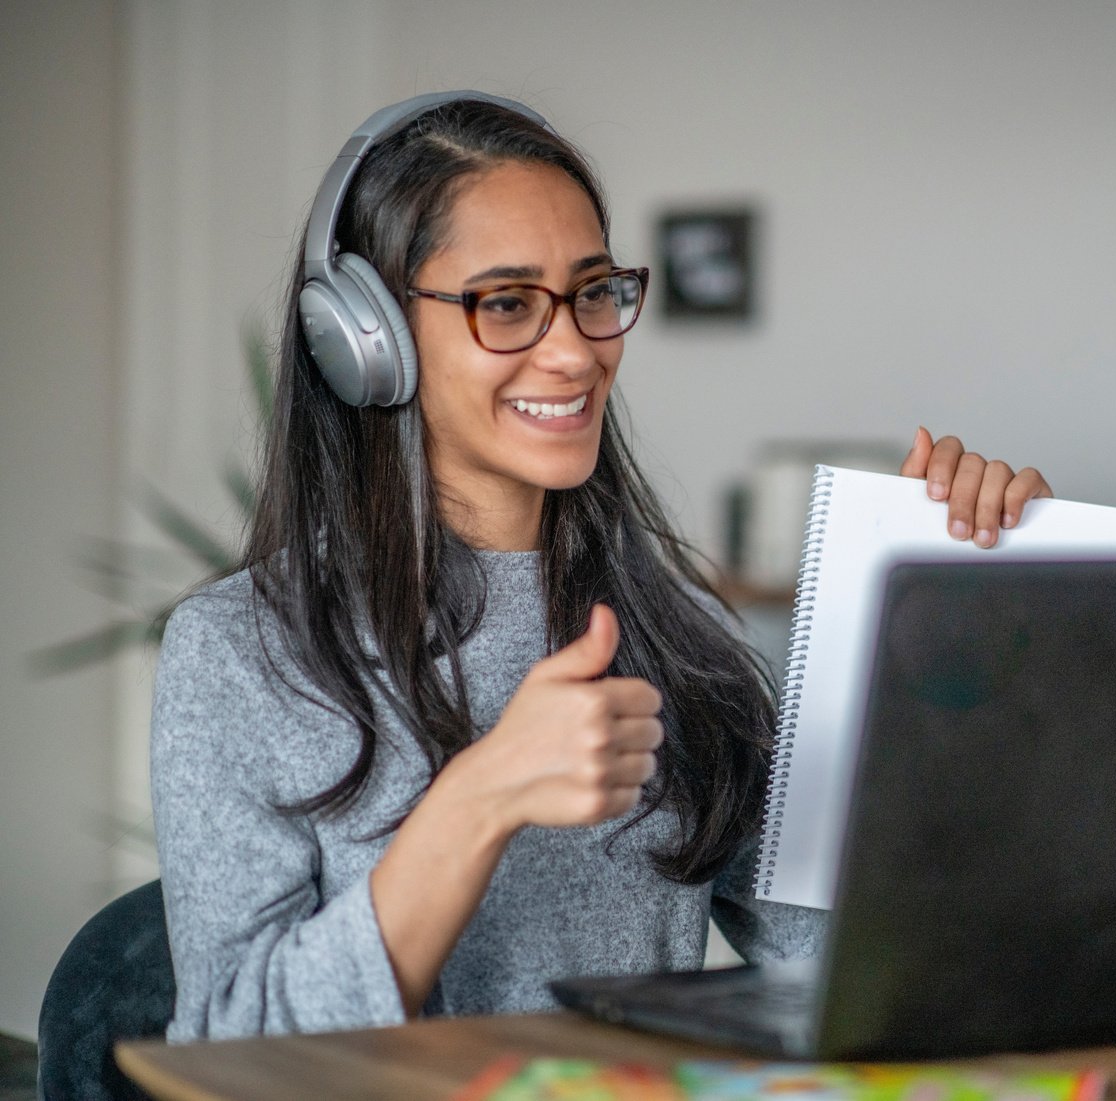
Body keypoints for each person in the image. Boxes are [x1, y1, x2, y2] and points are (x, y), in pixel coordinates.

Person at [150, 92, 1052, 1041]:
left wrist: (961, 636)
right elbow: (226, 1050)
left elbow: (850, 971)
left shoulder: (678, 634)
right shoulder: (241, 651)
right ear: (363, 341)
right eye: (505, 303)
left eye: (591, 292)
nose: (576, 351)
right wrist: (480, 797)